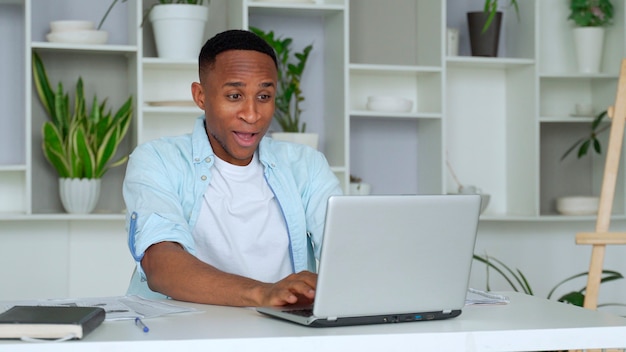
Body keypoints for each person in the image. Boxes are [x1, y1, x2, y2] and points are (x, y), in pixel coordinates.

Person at [123, 29, 342, 307]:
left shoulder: (306, 166)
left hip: (283, 331)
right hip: (179, 333)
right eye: (235, 96)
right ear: (201, 96)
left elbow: (347, 253)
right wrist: (263, 293)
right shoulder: (157, 160)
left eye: (263, 96)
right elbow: (160, 264)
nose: (251, 115)